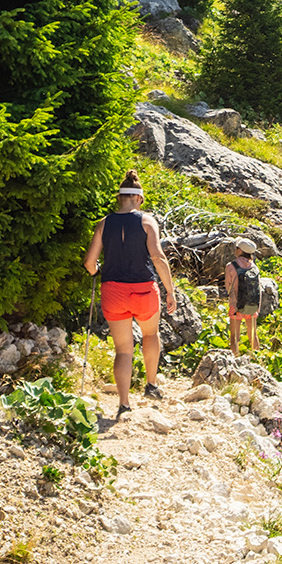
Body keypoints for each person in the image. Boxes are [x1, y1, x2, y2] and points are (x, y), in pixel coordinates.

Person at [83, 170, 177, 417]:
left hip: (113, 290)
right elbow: (157, 257)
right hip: (143, 289)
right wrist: (170, 291)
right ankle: (151, 384)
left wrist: (98, 271)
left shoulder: (104, 223)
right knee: (151, 334)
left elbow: (89, 264)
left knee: (123, 349)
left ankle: (124, 403)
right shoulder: (147, 222)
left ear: (120, 198)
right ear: (139, 199)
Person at [224, 237, 262, 355]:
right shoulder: (254, 267)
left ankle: (235, 358)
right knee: (253, 335)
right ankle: (257, 358)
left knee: (234, 336)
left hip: (236, 307)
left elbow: (227, 287)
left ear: (240, 251)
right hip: (252, 306)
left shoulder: (231, 266)